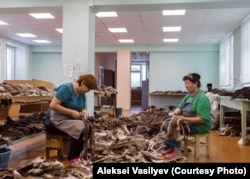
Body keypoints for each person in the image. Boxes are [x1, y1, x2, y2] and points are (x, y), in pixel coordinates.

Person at [44, 73, 98, 163]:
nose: (88, 91)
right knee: (80, 128)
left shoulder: (81, 93)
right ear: (83, 83)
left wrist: (83, 111)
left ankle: (82, 151)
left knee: (88, 126)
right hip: (55, 121)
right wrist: (71, 112)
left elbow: (82, 107)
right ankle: (73, 156)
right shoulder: (66, 88)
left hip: (68, 119)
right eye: (88, 88)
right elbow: (53, 105)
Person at [161, 73, 212, 159]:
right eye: (185, 83)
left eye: (188, 83)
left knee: (177, 126)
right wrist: (177, 112)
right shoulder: (188, 95)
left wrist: (183, 118)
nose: (186, 86)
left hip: (200, 125)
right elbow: (180, 107)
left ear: (195, 84)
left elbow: (202, 119)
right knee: (167, 123)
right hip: (188, 121)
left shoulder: (202, 98)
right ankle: (171, 147)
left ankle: (177, 152)